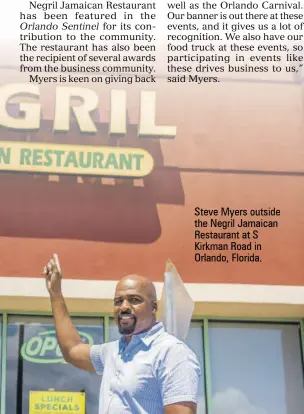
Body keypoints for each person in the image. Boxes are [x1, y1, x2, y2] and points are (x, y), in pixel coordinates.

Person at [43, 255, 201, 414]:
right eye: (118, 301)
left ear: (153, 307)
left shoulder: (172, 352)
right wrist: (55, 293)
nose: (124, 307)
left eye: (134, 299)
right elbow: (72, 350)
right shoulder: (112, 352)